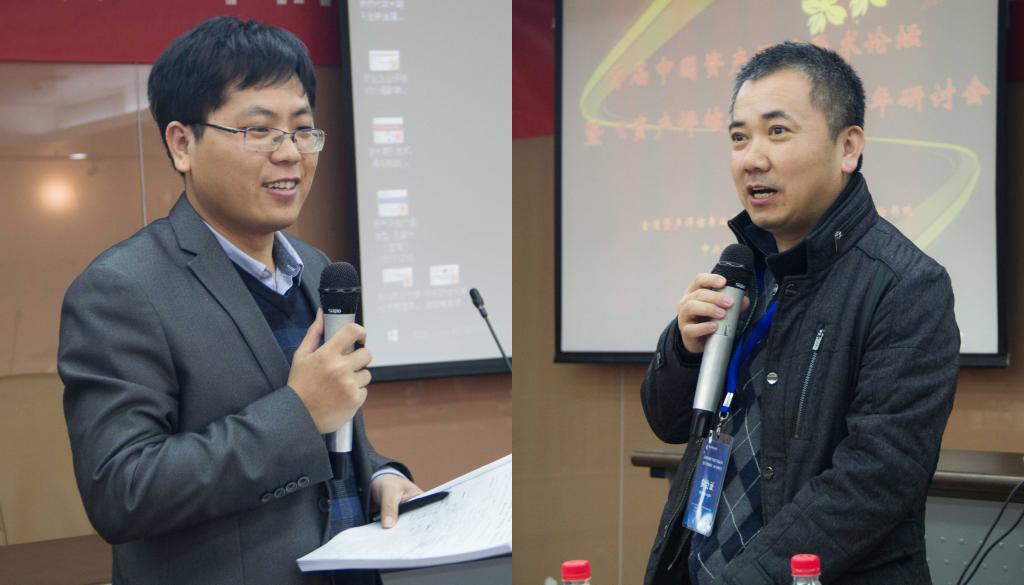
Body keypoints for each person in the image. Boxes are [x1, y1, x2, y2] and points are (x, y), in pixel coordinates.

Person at [58, 17, 422, 585]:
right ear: (183, 144)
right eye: (259, 130)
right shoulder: (121, 289)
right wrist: (299, 412)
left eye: (302, 130)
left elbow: (332, 435)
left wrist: (378, 476)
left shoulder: (316, 269)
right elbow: (122, 491)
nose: (291, 153)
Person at [641, 42, 959, 584]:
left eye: (777, 131)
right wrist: (685, 351)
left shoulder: (905, 285)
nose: (752, 158)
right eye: (739, 137)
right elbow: (670, 422)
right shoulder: (743, 271)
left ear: (847, 147)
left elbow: (875, 479)